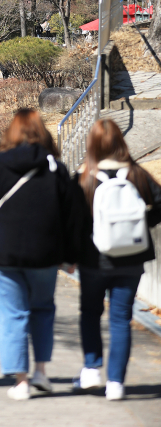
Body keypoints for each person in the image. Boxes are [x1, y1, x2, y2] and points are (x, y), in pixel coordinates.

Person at [0, 108, 76, 400]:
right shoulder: (55, 167)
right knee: (43, 309)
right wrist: (70, 255)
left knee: (11, 312)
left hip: (4, 251)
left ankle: (21, 381)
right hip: (46, 252)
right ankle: (41, 370)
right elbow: (71, 215)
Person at [72, 119, 161, 400]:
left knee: (90, 313)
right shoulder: (137, 174)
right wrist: (138, 224)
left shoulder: (84, 176)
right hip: (131, 259)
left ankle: (90, 368)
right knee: (121, 318)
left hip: (93, 259)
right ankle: (116, 383)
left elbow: (72, 220)